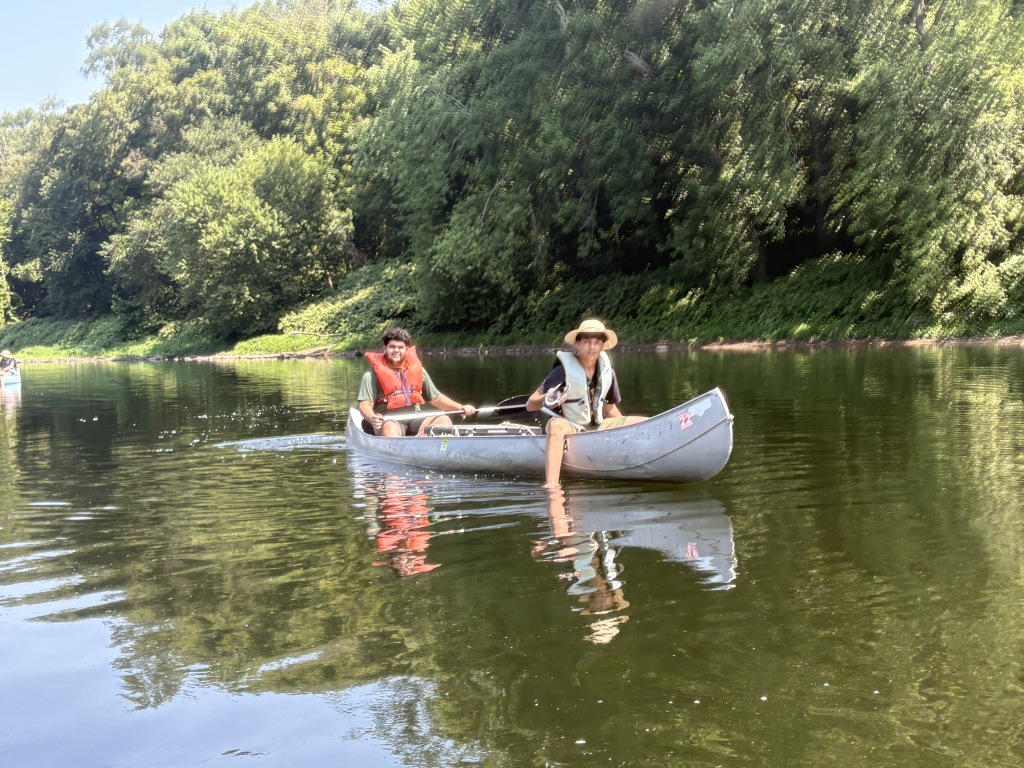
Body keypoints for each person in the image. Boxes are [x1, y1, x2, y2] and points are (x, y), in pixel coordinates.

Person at [526, 319, 646, 486]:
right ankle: (552, 485)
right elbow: (530, 404)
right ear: (578, 343)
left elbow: (610, 409)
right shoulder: (562, 370)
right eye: (587, 342)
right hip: (569, 425)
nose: (592, 347)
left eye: (597, 342)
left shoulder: (607, 372)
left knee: (643, 422)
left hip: (598, 425)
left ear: (603, 345)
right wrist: (547, 398)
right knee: (556, 426)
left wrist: (625, 429)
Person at [357, 327, 476, 436]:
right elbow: (365, 405)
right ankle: (399, 448)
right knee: (390, 428)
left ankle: (425, 446)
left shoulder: (418, 370)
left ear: (406, 349)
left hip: (415, 419)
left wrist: (460, 407)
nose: (396, 350)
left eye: (400, 347)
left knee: (443, 420)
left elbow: (436, 398)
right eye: (392, 347)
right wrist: (372, 417)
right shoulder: (371, 375)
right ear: (385, 349)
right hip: (388, 420)